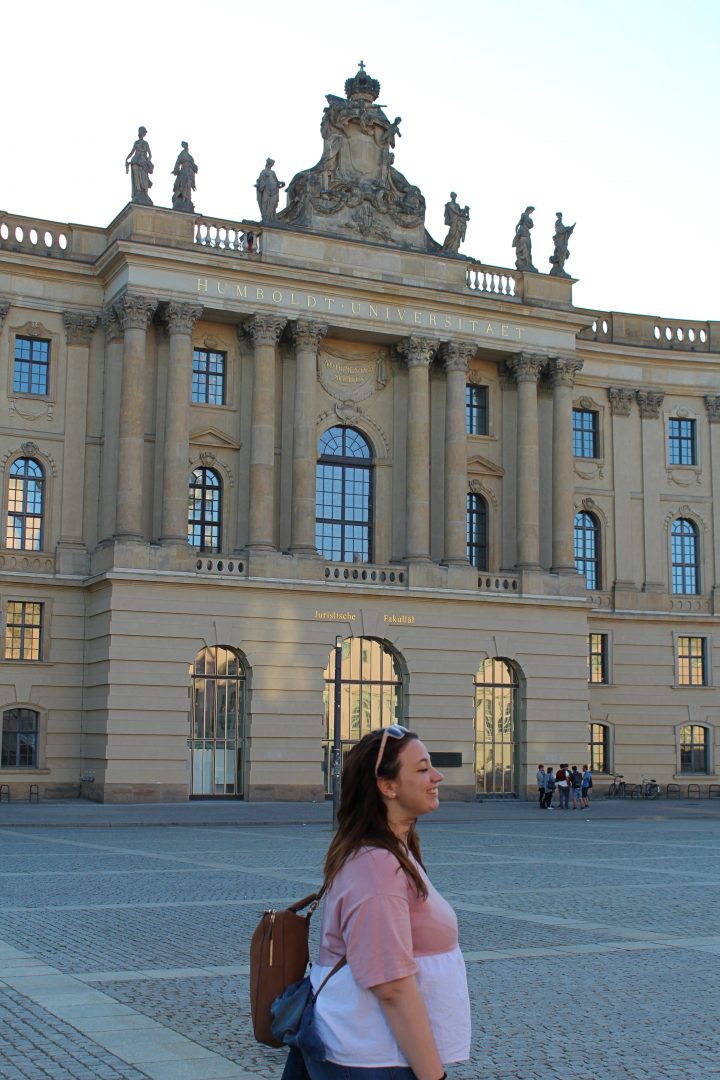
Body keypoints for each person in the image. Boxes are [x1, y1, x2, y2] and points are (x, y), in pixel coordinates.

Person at [299, 725, 471, 1079]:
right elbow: (390, 986)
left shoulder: (392, 852)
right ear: (387, 785)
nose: (437, 776)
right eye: (422, 769)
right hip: (372, 1058)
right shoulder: (377, 866)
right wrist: (432, 1076)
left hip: (379, 1054)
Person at [125, 126, 154, 205]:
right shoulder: (136, 142)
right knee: (136, 177)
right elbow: (132, 152)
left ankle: (144, 193)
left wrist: (147, 161)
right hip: (135, 160)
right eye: (144, 132)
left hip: (143, 161)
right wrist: (127, 158)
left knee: (144, 178)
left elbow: (150, 155)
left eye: (144, 133)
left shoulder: (146, 143)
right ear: (141, 133)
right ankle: (138, 192)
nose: (144, 134)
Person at [255, 158, 285, 222]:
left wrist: (282, 183)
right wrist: (259, 185)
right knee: (264, 202)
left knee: (273, 203)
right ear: (269, 164)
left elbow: (276, 181)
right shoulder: (263, 172)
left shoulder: (273, 172)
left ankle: (271, 218)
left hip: (275, 190)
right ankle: (265, 217)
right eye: (271, 164)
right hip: (266, 189)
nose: (272, 165)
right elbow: (260, 180)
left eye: (272, 164)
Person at [171, 142, 198, 212]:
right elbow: (178, 162)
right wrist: (175, 170)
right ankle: (183, 198)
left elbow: (193, 165)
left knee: (188, 185)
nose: (185, 147)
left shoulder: (190, 156)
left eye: (186, 145)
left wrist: (194, 167)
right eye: (184, 146)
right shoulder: (182, 154)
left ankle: (187, 200)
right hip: (183, 171)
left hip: (189, 172)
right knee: (182, 185)